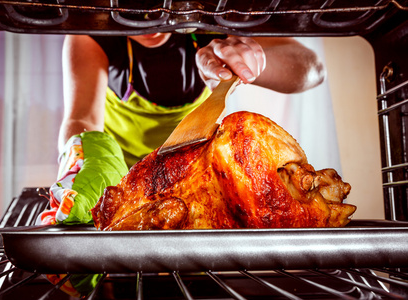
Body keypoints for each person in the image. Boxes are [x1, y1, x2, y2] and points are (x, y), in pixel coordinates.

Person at [38, 32, 325, 298]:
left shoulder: (210, 28)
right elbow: (82, 119)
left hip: (195, 188)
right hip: (121, 184)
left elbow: (312, 69)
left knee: (192, 286)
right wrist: (86, 161)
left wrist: (254, 58)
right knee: (122, 284)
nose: (151, 21)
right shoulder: (92, 32)